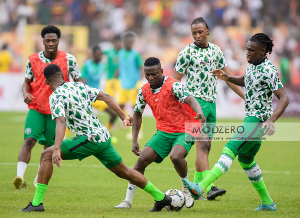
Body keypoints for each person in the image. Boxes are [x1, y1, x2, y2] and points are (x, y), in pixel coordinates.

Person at [19, 64, 172, 212]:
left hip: (89, 139)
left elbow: (60, 122)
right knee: (124, 171)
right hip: (103, 136)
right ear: (62, 75)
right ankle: (161, 197)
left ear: (46, 81)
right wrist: (123, 116)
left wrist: (57, 149)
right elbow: (106, 96)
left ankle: (37, 203)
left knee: (46, 155)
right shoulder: (79, 86)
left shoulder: (56, 96)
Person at [183, 33, 289, 211]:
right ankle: (267, 202)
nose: (247, 53)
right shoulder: (253, 65)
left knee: (229, 148)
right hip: (252, 119)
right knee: (246, 160)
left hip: (257, 121)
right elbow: (246, 80)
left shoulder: (269, 71)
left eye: (251, 50)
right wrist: (227, 77)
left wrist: (271, 120)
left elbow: (284, 97)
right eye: (247, 49)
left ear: (263, 51)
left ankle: (200, 188)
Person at [115, 57, 206, 209]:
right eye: (147, 74)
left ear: (161, 72)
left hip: (186, 128)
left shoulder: (173, 85)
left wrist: (200, 112)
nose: (150, 77)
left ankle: (186, 191)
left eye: (154, 74)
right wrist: (135, 140)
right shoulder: (144, 90)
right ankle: (127, 201)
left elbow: (190, 99)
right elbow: (137, 113)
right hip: (164, 131)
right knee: (142, 160)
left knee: (176, 156)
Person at [173, 17, 244, 200]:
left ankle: (196, 188)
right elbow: (175, 83)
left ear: (207, 31)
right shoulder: (186, 53)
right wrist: (180, 106)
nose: (197, 35)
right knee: (202, 145)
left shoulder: (216, 51)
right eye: (194, 33)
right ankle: (210, 187)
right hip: (196, 106)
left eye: (200, 32)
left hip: (211, 105)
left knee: (205, 148)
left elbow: (228, 78)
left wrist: (245, 97)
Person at [13, 25, 81, 189]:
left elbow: (78, 82)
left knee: (49, 149)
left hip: (57, 112)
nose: (51, 43)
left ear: (58, 41)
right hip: (36, 107)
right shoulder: (32, 59)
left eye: (54, 40)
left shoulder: (69, 59)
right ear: (42, 41)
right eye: (47, 40)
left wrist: (75, 101)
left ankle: (38, 177)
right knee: (29, 140)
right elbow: (26, 82)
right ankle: (19, 177)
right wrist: (25, 94)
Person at [81, 45, 117, 131]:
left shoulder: (103, 66)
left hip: (96, 96)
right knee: (78, 117)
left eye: (101, 54)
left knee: (114, 114)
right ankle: (65, 136)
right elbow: (82, 81)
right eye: (98, 54)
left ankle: (106, 131)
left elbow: (113, 68)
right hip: (86, 96)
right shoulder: (87, 65)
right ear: (93, 55)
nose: (101, 56)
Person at [117, 31, 144, 138]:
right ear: (123, 42)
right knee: (120, 106)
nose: (128, 44)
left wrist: (139, 83)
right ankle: (126, 120)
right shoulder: (120, 53)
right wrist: (115, 79)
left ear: (132, 43)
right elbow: (120, 68)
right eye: (126, 42)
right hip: (123, 85)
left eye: (130, 42)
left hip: (133, 86)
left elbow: (141, 68)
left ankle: (138, 130)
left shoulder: (135, 54)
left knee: (136, 109)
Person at [103, 35, 122, 99]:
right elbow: (95, 52)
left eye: (120, 42)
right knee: (109, 98)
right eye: (117, 42)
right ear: (114, 43)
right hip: (110, 78)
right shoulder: (109, 51)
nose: (118, 44)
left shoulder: (124, 53)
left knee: (120, 100)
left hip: (120, 80)